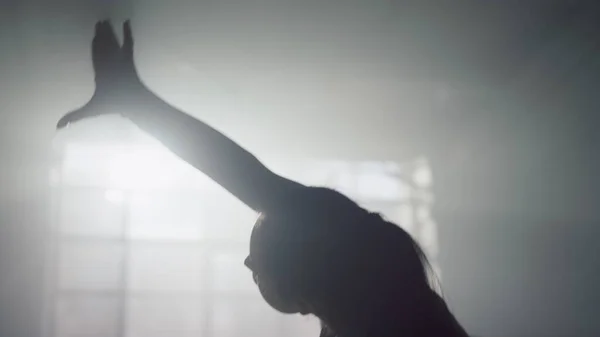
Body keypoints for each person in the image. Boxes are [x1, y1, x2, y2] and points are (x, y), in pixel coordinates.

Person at [58, 21, 470, 337]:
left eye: (257, 260)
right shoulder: (370, 298)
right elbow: (251, 180)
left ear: (304, 272)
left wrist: (136, 103)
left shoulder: (371, 294)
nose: (247, 261)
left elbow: (245, 176)